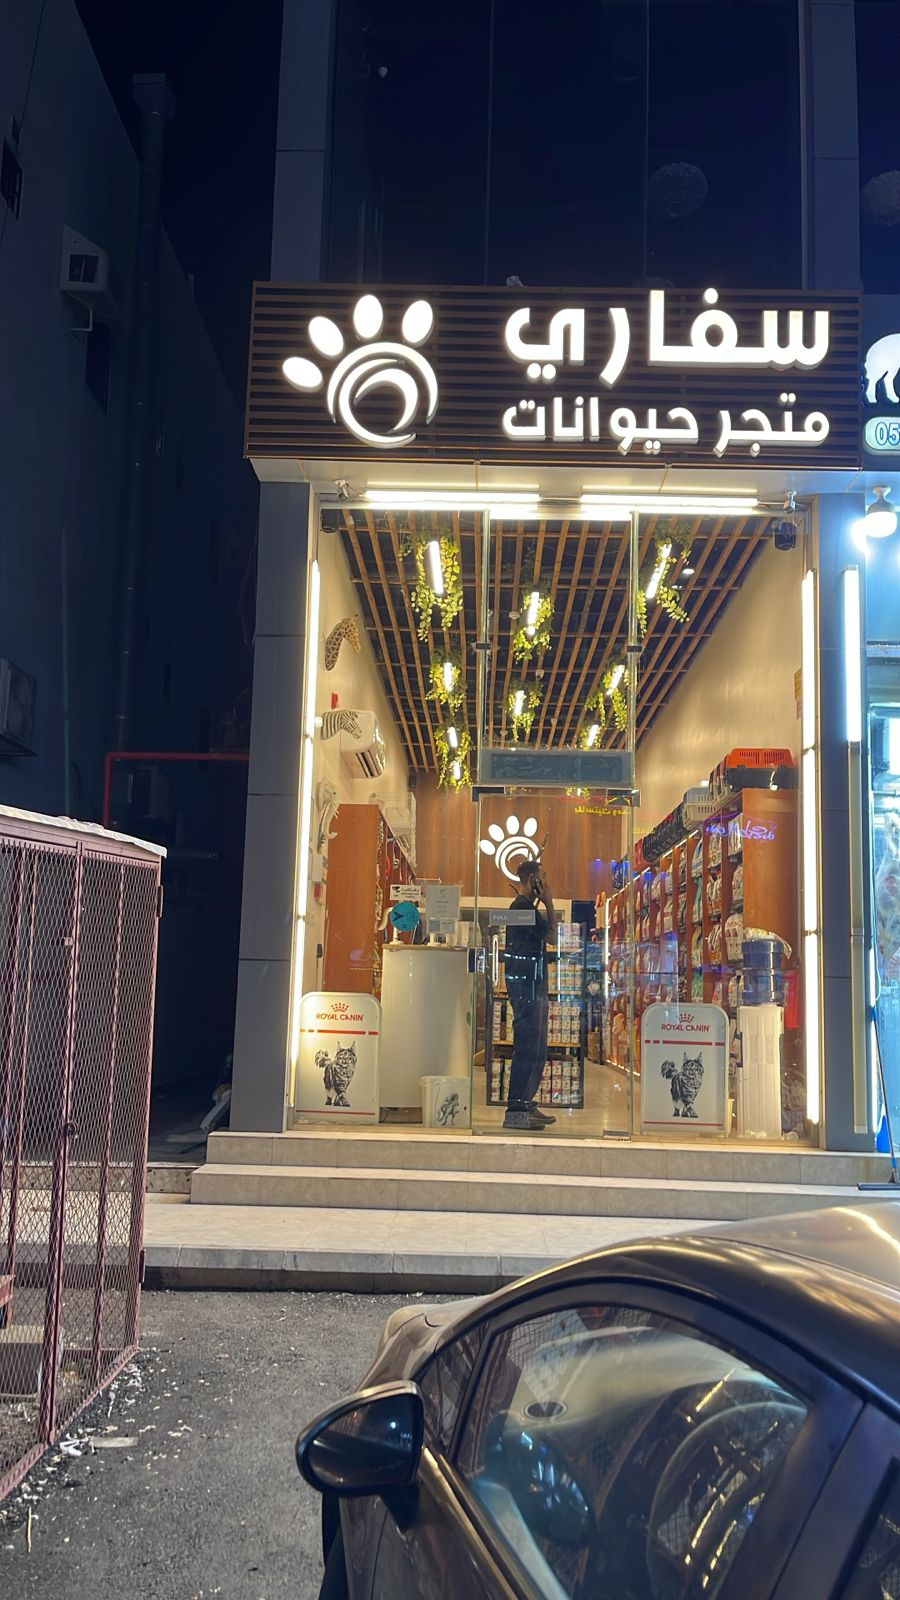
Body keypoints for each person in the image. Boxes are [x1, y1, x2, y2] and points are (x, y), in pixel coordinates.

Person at [503, 859, 557, 1131]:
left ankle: (525, 1104)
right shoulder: (522, 909)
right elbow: (553, 937)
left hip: (531, 986)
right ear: (533, 880)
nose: (546, 883)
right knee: (528, 1047)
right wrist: (549, 902)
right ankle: (516, 1110)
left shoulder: (524, 909)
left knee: (536, 1047)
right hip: (527, 988)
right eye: (542, 878)